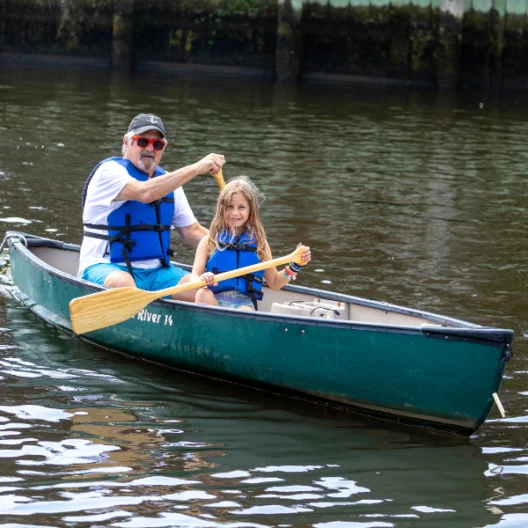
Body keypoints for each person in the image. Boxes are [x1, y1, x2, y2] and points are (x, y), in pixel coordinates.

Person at [78, 112, 225, 301]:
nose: (150, 148)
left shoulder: (170, 183)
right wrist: (197, 168)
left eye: (157, 144)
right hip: (105, 266)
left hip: (158, 273)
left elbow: (191, 231)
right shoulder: (109, 172)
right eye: (142, 141)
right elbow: (144, 193)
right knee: (124, 284)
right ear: (126, 141)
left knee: (202, 292)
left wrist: (233, 248)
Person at [191, 176, 311, 310]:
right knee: (202, 294)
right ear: (222, 209)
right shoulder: (209, 241)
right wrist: (203, 278)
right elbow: (193, 277)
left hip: (244, 303)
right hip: (213, 301)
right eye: (229, 207)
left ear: (250, 211)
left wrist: (295, 265)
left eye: (241, 207)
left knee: (245, 311)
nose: (235, 212)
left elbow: (275, 283)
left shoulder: (260, 244)